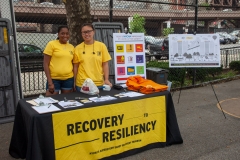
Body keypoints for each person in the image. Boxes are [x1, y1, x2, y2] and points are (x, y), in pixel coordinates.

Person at [73, 23, 112, 92]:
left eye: (89, 31)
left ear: (93, 32)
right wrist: (74, 81)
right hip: (82, 84)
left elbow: (105, 64)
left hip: (98, 83)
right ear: (81, 34)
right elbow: (76, 66)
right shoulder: (77, 48)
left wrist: (106, 79)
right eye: (84, 32)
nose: (86, 34)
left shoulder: (101, 46)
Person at [43, 26, 74, 96]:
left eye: (67, 33)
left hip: (68, 79)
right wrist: (50, 82)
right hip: (54, 79)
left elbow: (72, 63)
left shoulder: (71, 47)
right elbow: (45, 63)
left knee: (66, 102)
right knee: (51, 102)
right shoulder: (51, 44)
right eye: (62, 33)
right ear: (58, 34)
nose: (65, 36)